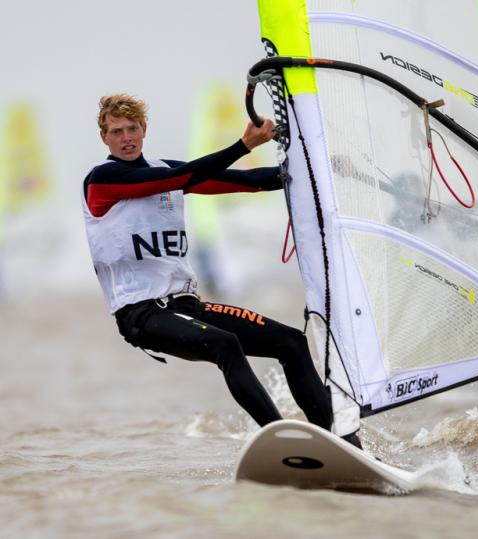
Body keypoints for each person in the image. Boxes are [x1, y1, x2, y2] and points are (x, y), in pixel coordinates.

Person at [82, 93, 361, 447]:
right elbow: (183, 176)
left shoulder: (165, 172)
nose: (126, 138)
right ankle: (283, 442)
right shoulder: (103, 180)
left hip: (186, 306)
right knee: (224, 344)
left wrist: (320, 172)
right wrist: (243, 145)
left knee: (291, 342)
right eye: (117, 131)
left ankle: (342, 445)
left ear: (144, 129)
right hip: (142, 314)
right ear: (104, 137)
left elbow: (246, 181)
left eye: (132, 128)